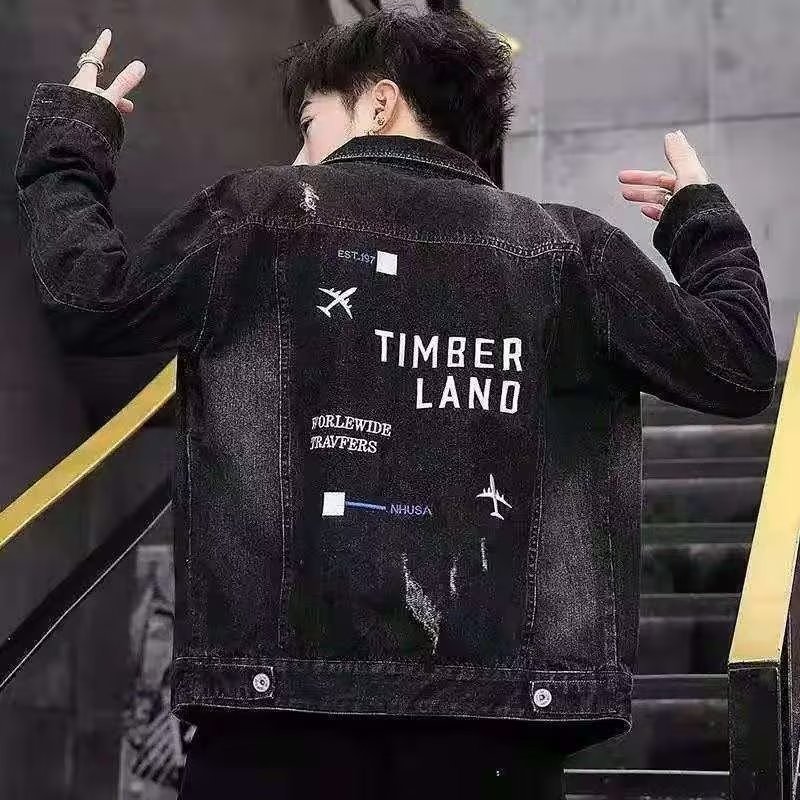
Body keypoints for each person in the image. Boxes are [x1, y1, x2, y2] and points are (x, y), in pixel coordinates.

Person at [13, 7, 776, 800]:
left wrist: (73, 139)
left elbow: (88, 298)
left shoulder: (259, 216)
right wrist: (700, 218)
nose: (298, 155)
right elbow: (740, 364)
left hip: (274, 723)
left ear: (381, 103)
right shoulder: (571, 253)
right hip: (498, 734)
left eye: (310, 123)